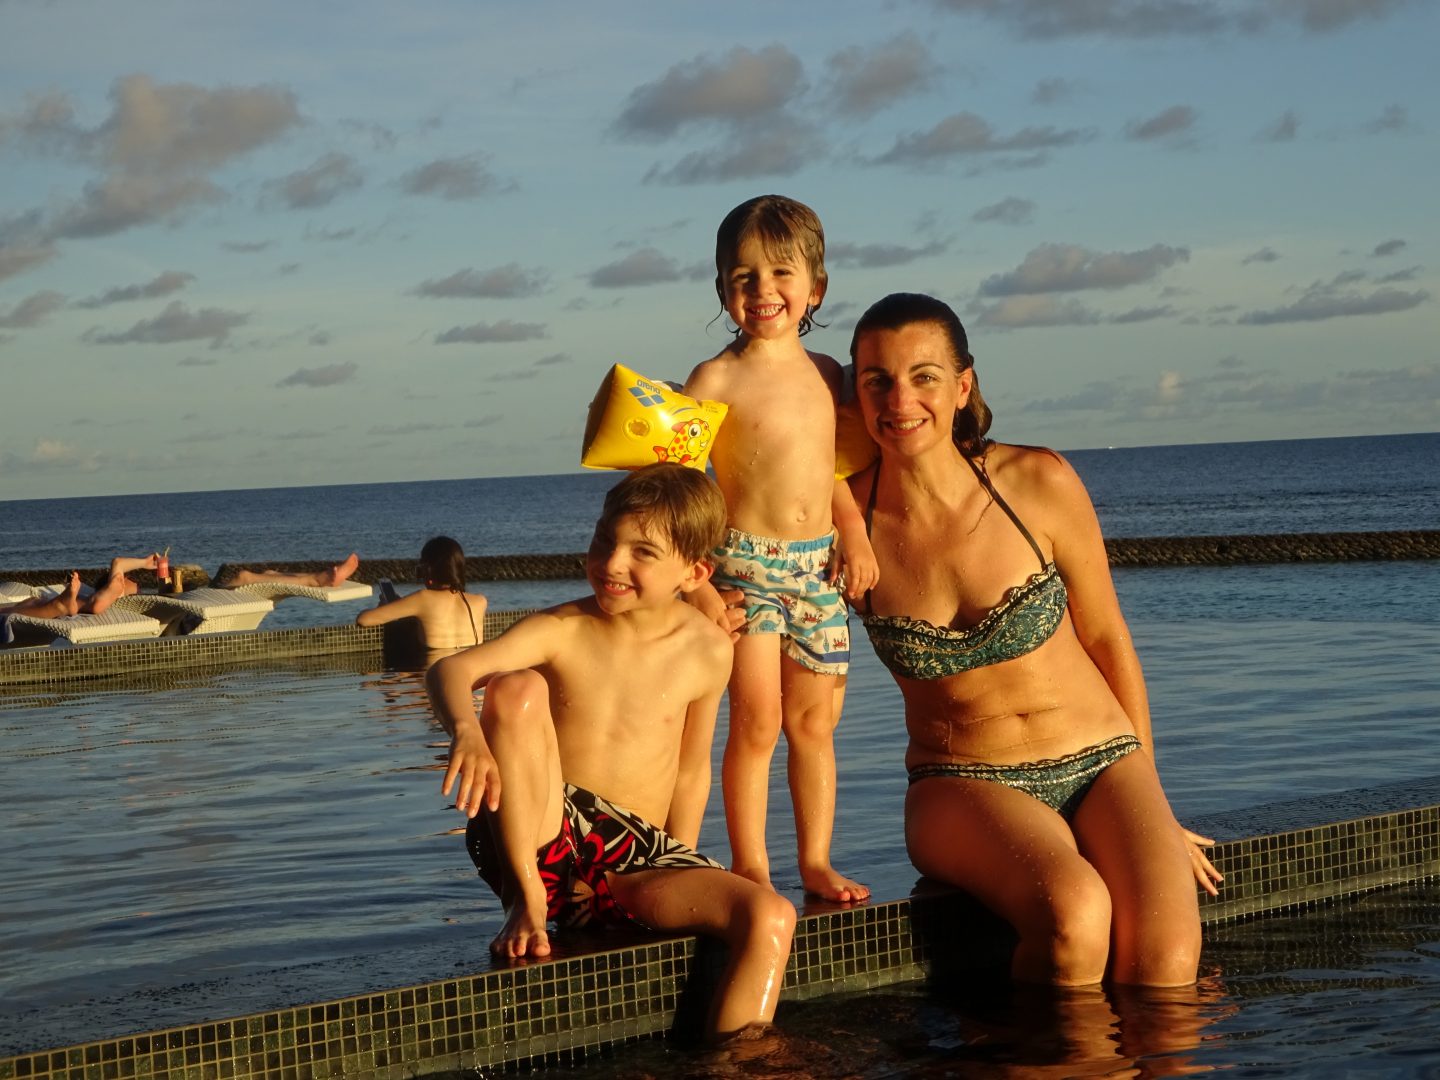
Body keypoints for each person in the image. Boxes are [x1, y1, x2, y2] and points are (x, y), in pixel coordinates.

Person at [845, 292, 1221, 987]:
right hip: (961, 783)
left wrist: (1152, 803)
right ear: (856, 394)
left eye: (924, 375)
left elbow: (1108, 637)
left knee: (1167, 966)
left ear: (962, 386)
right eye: (878, 380)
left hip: (1104, 759)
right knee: (1075, 920)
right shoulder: (846, 525)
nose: (901, 398)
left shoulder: (1037, 482)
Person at [426, 463, 796, 1041]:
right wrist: (466, 731)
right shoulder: (564, 628)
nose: (612, 561)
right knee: (514, 686)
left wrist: (683, 860)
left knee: (772, 916)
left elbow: (692, 766)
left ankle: (739, 1060)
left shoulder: (707, 648)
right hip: (546, 842)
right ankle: (526, 904)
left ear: (693, 571)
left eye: (642, 552)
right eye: (605, 539)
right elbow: (453, 668)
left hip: (636, 859)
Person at [682, 194, 876, 904]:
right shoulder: (714, 378)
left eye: (780, 273)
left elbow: (833, 471)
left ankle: (817, 861)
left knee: (813, 725)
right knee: (758, 720)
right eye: (744, 277)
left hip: (817, 569)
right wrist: (698, 584)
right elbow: (683, 493)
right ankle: (752, 866)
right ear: (723, 292)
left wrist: (853, 535)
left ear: (815, 288)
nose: (763, 290)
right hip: (745, 570)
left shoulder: (829, 375)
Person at [355, 536, 488, 651]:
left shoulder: (423, 598)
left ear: (427, 570)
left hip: (433, 674)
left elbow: (364, 620)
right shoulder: (480, 601)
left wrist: (384, 606)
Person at [1, 555, 163, 619]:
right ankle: (63, 603)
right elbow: (118, 563)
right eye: (134, 580)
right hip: (92, 600)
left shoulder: (117, 587)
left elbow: (118, 563)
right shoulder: (118, 586)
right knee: (25, 605)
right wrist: (145, 563)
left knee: (24, 606)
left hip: (89, 600)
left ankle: (63, 603)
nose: (136, 584)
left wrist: (144, 563)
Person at [223, 553, 360, 589]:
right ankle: (316, 579)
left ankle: (321, 577)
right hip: (216, 596)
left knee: (269, 574)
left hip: (216, 591)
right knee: (245, 577)